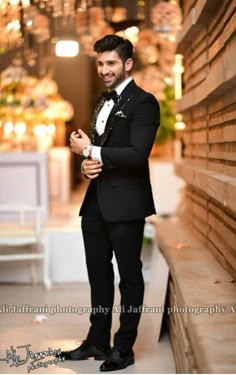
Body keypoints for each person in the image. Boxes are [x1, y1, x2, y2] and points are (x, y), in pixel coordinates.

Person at [60, 34, 160, 372]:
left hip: (127, 204)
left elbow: (136, 154)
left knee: (129, 277)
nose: (104, 69)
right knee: (98, 275)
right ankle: (97, 340)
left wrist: (87, 150)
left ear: (127, 64)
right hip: (95, 204)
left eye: (111, 63)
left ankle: (124, 347)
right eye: (100, 63)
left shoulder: (144, 103)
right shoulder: (100, 102)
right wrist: (88, 166)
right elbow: (103, 154)